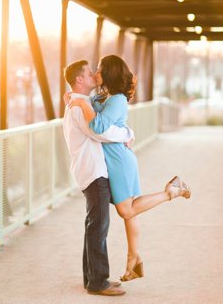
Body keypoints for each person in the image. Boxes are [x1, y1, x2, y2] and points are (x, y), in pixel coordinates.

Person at [68, 55, 192, 284]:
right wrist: (80, 99)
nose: (96, 73)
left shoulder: (117, 100)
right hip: (112, 160)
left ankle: (171, 191)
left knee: (127, 211)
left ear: (110, 73)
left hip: (119, 161)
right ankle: (133, 261)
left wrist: (83, 103)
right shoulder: (104, 96)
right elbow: (94, 112)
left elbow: (97, 125)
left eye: (99, 69)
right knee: (129, 212)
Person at [62, 59, 131, 296]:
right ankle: (97, 282)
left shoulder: (81, 102)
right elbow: (100, 131)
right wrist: (127, 133)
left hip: (91, 169)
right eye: (89, 73)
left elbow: (99, 118)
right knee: (98, 227)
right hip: (93, 172)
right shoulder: (79, 104)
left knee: (94, 226)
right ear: (79, 79)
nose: (94, 75)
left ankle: (92, 277)